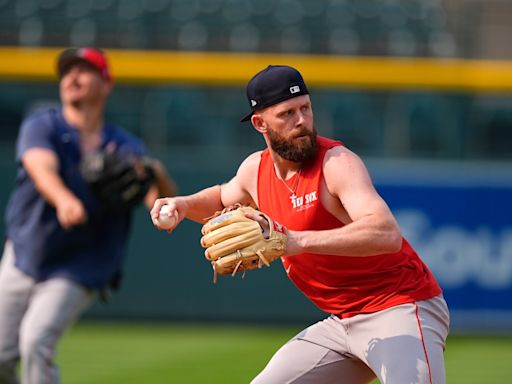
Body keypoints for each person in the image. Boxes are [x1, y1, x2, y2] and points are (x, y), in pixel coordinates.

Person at [151, 65, 449, 384]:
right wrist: (183, 204)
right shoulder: (256, 170)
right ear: (259, 123)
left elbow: (386, 233)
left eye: (305, 108)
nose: (302, 121)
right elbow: (220, 198)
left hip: (400, 308)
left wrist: (295, 240)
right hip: (342, 323)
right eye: (288, 113)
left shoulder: (337, 163)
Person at [0, 47, 176, 384]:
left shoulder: (124, 146)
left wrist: (156, 172)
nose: (73, 78)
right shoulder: (43, 125)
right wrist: (64, 199)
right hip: (25, 252)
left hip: (81, 265)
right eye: (67, 71)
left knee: (36, 341)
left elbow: (160, 202)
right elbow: (40, 166)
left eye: (84, 70)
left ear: (106, 83)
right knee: (1, 358)